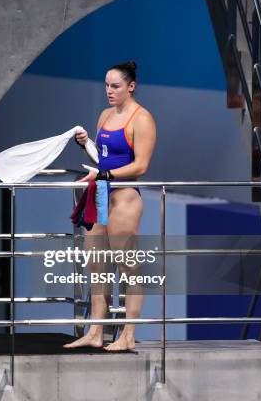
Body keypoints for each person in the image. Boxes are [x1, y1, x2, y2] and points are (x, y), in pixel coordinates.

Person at [63, 61, 156, 351]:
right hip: (102, 194)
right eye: (106, 85)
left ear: (131, 86)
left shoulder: (142, 119)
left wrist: (104, 174)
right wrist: (86, 143)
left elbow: (140, 165)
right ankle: (95, 331)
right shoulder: (105, 115)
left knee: (128, 268)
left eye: (115, 86)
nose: (109, 91)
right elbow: (104, 156)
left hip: (125, 197)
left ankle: (128, 335)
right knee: (96, 266)